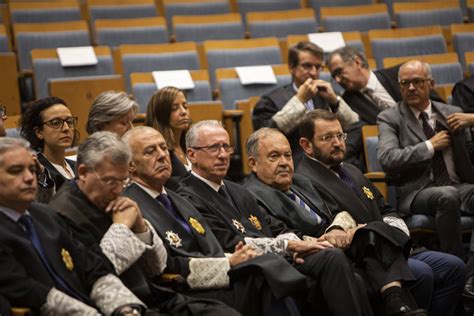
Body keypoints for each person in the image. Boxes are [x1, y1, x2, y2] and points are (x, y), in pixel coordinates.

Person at [245, 127, 454, 315]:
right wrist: (328, 239)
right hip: (313, 257)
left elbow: (340, 213)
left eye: (287, 155)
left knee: (372, 229)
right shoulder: (252, 196)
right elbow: (282, 236)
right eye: (274, 156)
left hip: (340, 246)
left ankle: (398, 305)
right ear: (253, 163)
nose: (283, 162)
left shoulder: (300, 182)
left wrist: (339, 229)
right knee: (380, 250)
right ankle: (396, 304)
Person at [178, 120, 377, 316]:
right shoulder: (186, 195)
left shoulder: (236, 190)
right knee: (333, 261)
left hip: (278, 259)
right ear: (192, 155)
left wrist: (299, 245)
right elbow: (228, 244)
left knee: (339, 263)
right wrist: (289, 248)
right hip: (244, 271)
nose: (223, 155)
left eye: (226, 147)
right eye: (214, 148)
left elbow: (274, 229)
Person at [294, 109, 466, 316]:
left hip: (392, 244)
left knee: (454, 266)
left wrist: (394, 234)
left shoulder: (351, 170)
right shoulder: (303, 180)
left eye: (340, 136)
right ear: (306, 145)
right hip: (366, 256)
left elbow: (386, 209)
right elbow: (331, 226)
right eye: (327, 138)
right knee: (423, 273)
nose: (337, 143)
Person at [122, 126, 307, 316]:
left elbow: (210, 248)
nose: (162, 156)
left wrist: (235, 259)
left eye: (163, 148)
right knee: (263, 274)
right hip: (183, 289)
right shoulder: (130, 206)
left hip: (215, 276)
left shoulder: (174, 198)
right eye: (150, 151)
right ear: (130, 165)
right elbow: (163, 266)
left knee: (266, 268)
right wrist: (229, 263)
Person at [49, 131, 237, 315]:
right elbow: (96, 274)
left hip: (153, 294)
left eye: (124, 181)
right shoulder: (63, 213)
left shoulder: (116, 198)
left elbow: (157, 267)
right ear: (83, 172)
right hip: (118, 306)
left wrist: (141, 227)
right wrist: (121, 228)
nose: (118, 190)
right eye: (111, 181)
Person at [0, 137, 145, 315]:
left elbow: (93, 267)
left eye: (31, 169)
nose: (30, 178)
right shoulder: (60, 209)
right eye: (15, 171)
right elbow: (29, 292)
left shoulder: (46, 215)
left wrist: (124, 309)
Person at [377, 60, 474, 258]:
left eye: (417, 82)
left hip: (459, 186)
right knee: (446, 195)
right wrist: (430, 146)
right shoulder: (389, 117)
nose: (411, 87)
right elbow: (387, 158)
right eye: (405, 83)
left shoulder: (452, 113)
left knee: (451, 192)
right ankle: (455, 263)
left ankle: (472, 265)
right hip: (417, 191)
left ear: (431, 83)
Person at [326, 46, 443, 171]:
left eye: (339, 71)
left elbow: (439, 106)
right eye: (334, 76)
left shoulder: (401, 75)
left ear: (357, 62)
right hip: (402, 160)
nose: (338, 80)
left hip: (436, 140)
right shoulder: (346, 104)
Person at [252, 41, 359, 162]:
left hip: (333, 160)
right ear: (292, 67)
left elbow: (355, 128)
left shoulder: (328, 95)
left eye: (318, 67)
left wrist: (335, 102)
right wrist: (299, 100)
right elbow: (264, 138)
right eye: (307, 66)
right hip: (294, 165)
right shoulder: (270, 101)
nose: (314, 73)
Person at [20, 97, 78, 192]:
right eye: (56, 123)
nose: (66, 128)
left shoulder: (78, 166)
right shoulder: (36, 171)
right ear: (38, 132)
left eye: (69, 122)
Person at [146, 86, 191, 178]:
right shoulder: (159, 152)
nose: (183, 112)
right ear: (161, 114)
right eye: (174, 108)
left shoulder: (190, 146)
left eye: (185, 106)